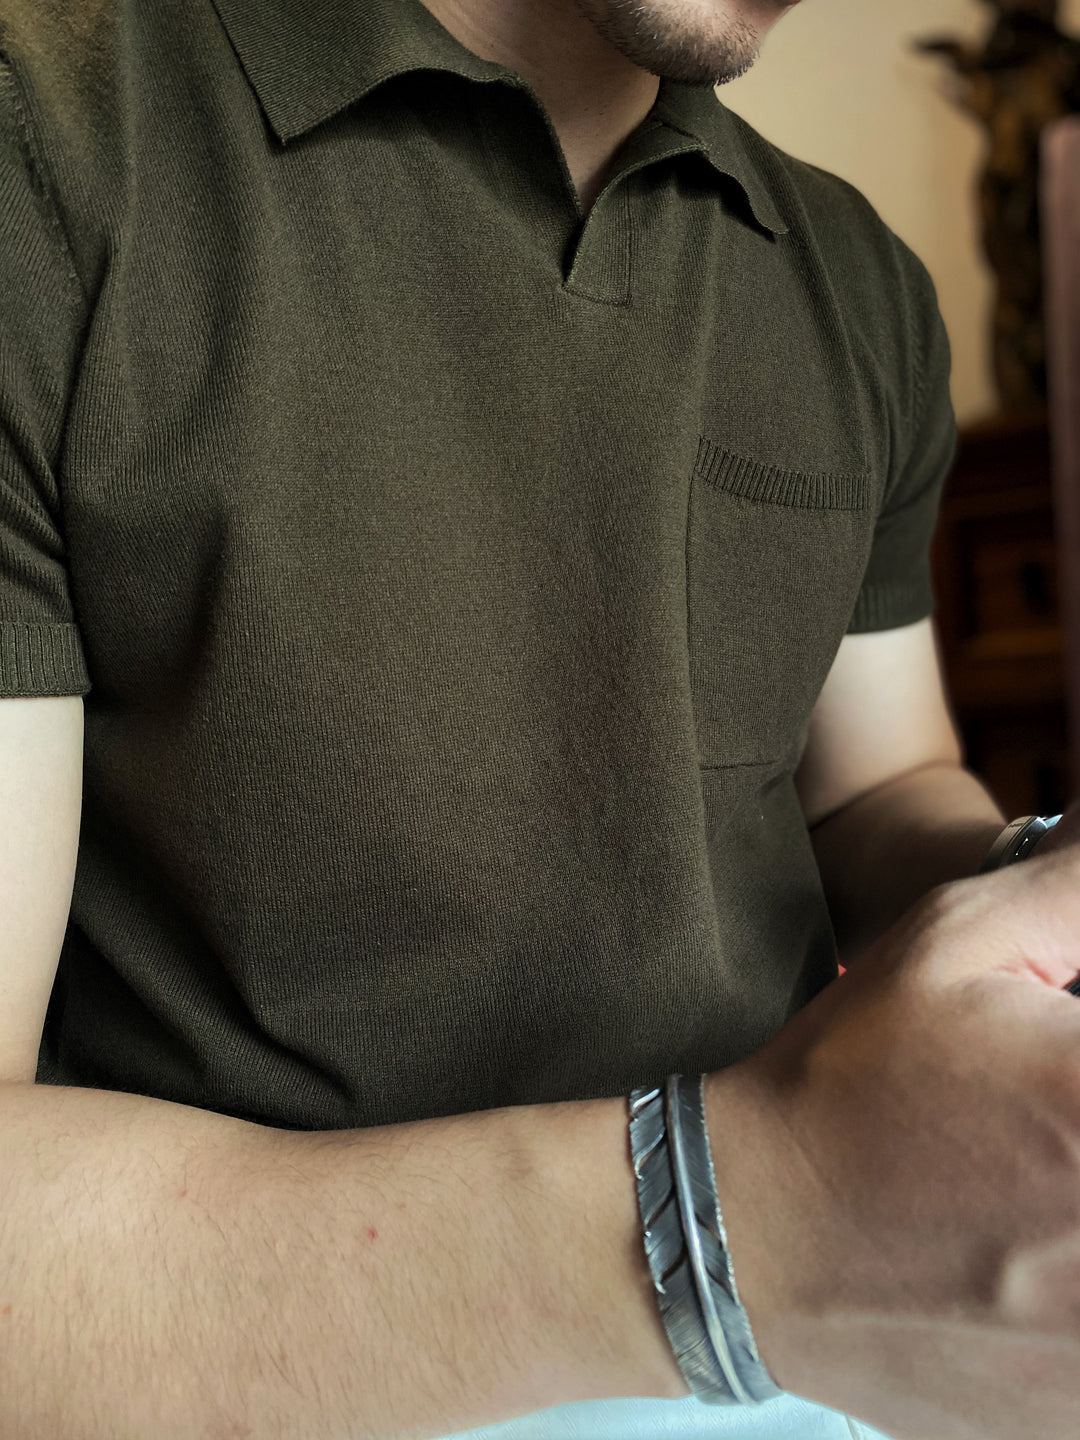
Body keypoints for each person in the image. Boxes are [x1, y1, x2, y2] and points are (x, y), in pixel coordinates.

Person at [2, 1, 1080, 1437]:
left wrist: (1034, 882)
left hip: (820, 1358)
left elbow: (879, 790)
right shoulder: (48, 133)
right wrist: (754, 1224)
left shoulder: (858, 278)